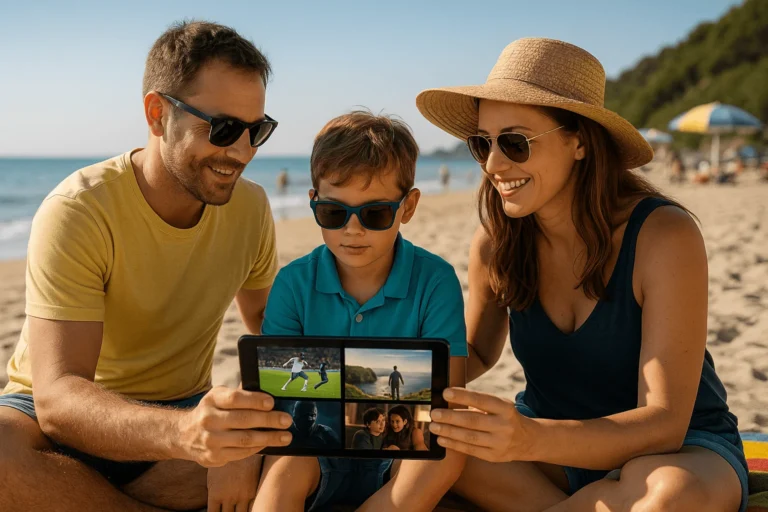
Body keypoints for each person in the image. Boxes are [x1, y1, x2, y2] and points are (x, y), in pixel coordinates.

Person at [417, 38, 748, 512]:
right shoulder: (496, 242)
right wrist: (384, 370)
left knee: (668, 494)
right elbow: (474, 351)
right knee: (435, 449)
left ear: (578, 141)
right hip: (552, 445)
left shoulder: (663, 236)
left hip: (676, 451)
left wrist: (527, 439)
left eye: (515, 142)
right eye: (481, 143)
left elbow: (664, 422)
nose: (493, 164)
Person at [0, 21, 293, 512]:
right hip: (56, 420)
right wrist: (188, 435)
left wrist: (241, 435)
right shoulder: (80, 209)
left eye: (256, 131)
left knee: (304, 453)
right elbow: (58, 399)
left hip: (184, 409)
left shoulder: (251, 209)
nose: (241, 152)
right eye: (222, 129)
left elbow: (273, 334)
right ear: (158, 114)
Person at [254, 111, 469, 511]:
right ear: (313, 203)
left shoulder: (436, 280)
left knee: (450, 452)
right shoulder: (293, 284)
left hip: (402, 453)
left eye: (375, 214)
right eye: (334, 213)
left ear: (408, 206)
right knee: (282, 473)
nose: (352, 230)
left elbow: (447, 403)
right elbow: (276, 400)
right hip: (313, 450)